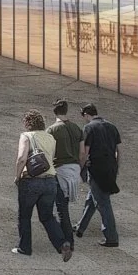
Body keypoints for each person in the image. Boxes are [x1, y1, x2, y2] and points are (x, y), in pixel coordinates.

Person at [13, 110, 72, 261]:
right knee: (47, 216)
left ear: (27, 123)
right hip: (50, 180)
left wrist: (17, 176)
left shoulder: (26, 136)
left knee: (24, 216)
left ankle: (24, 247)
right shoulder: (51, 138)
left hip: (31, 181)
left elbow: (21, 158)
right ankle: (62, 243)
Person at [76, 103, 122, 247]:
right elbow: (119, 150)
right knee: (92, 198)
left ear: (85, 114)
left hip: (96, 169)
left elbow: (85, 152)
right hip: (110, 168)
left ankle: (111, 237)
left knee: (103, 203)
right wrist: (116, 167)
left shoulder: (89, 128)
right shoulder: (112, 126)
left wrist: (80, 167)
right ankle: (80, 227)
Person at [47, 100, 84, 248]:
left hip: (60, 170)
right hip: (75, 169)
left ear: (54, 112)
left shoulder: (51, 130)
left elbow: (49, 153)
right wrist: (79, 169)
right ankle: (66, 239)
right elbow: (82, 153)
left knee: (61, 209)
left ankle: (67, 241)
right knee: (64, 206)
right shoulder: (77, 128)